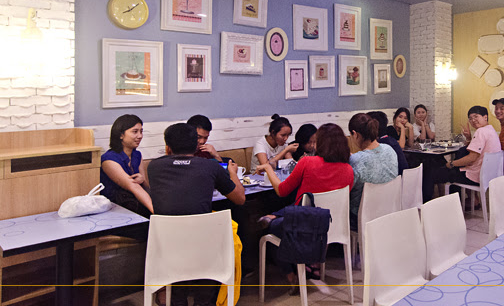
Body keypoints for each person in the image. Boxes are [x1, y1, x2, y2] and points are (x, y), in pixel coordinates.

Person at [147, 123, 245, 306]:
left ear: (168, 147)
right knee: (215, 238)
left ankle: (177, 300)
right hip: (204, 250)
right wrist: (232, 173)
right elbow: (240, 199)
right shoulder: (210, 167)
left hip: (167, 249)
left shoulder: (154, 167)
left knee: (181, 244)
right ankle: (205, 301)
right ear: (196, 146)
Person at [256, 123, 354, 293]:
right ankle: (308, 263)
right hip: (330, 227)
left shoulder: (307, 162)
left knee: (270, 231)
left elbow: (282, 190)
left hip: (302, 227)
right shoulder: (349, 170)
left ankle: (291, 275)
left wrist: (267, 169)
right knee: (295, 209)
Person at [425, 106, 500, 202]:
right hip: (488, 175)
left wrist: (451, 163)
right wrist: (468, 137)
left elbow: (472, 157)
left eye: (476, 116)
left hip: (476, 176)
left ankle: (426, 203)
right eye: (470, 118)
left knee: (431, 173)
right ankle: (457, 202)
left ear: (485, 117)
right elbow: (475, 151)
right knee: (457, 161)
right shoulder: (491, 130)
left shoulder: (481, 131)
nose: (473, 120)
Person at [348, 113, 398, 229]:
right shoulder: (389, 150)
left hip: (361, 217)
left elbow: (347, 189)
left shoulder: (357, 160)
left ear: (355, 134)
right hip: (388, 211)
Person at [100, 114, 153, 217]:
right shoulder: (109, 160)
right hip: (116, 207)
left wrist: (142, 180)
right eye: (135, 132)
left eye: (141, 131)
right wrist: (157, 214)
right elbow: (134, 187)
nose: (140, 136)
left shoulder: (137, 155)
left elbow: (145, 188)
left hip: (135, 202)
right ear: (121, 135)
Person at [367, 110, 408, 175]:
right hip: (401, 177)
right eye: (400, 117)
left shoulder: (379, 145)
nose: (402, 120)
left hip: (396, 178)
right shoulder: (390, 138)